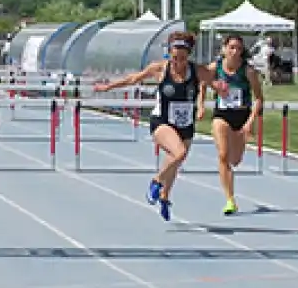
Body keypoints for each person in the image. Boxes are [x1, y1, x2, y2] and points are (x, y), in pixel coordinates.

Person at [95, 32, 202, 221]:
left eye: (183, 58)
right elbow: (133, 79)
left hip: (186, 124)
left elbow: (215, 80)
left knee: (175, 162)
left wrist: (219, 87)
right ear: (169, 54)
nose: (178, 62)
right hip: (162, 121)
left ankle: (165, 197)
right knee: (179, 153)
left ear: (189, 56)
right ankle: (156, 182)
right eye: (174, 57)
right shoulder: (160, 69)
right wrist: (109, 87)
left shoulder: (196, 71)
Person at [204, 34, 265, 215]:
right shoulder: (215, 67)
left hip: (242, 115)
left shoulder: (248, 72)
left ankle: (230, 184)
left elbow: (260, 99)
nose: (235, 51)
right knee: (223, 155)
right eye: (231, 47)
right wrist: (201, 104)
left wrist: (250, 122)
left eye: (238, 48)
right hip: (221, 114)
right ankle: (230, 199)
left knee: (235, 160)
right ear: (224, 49)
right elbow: (202, 82)